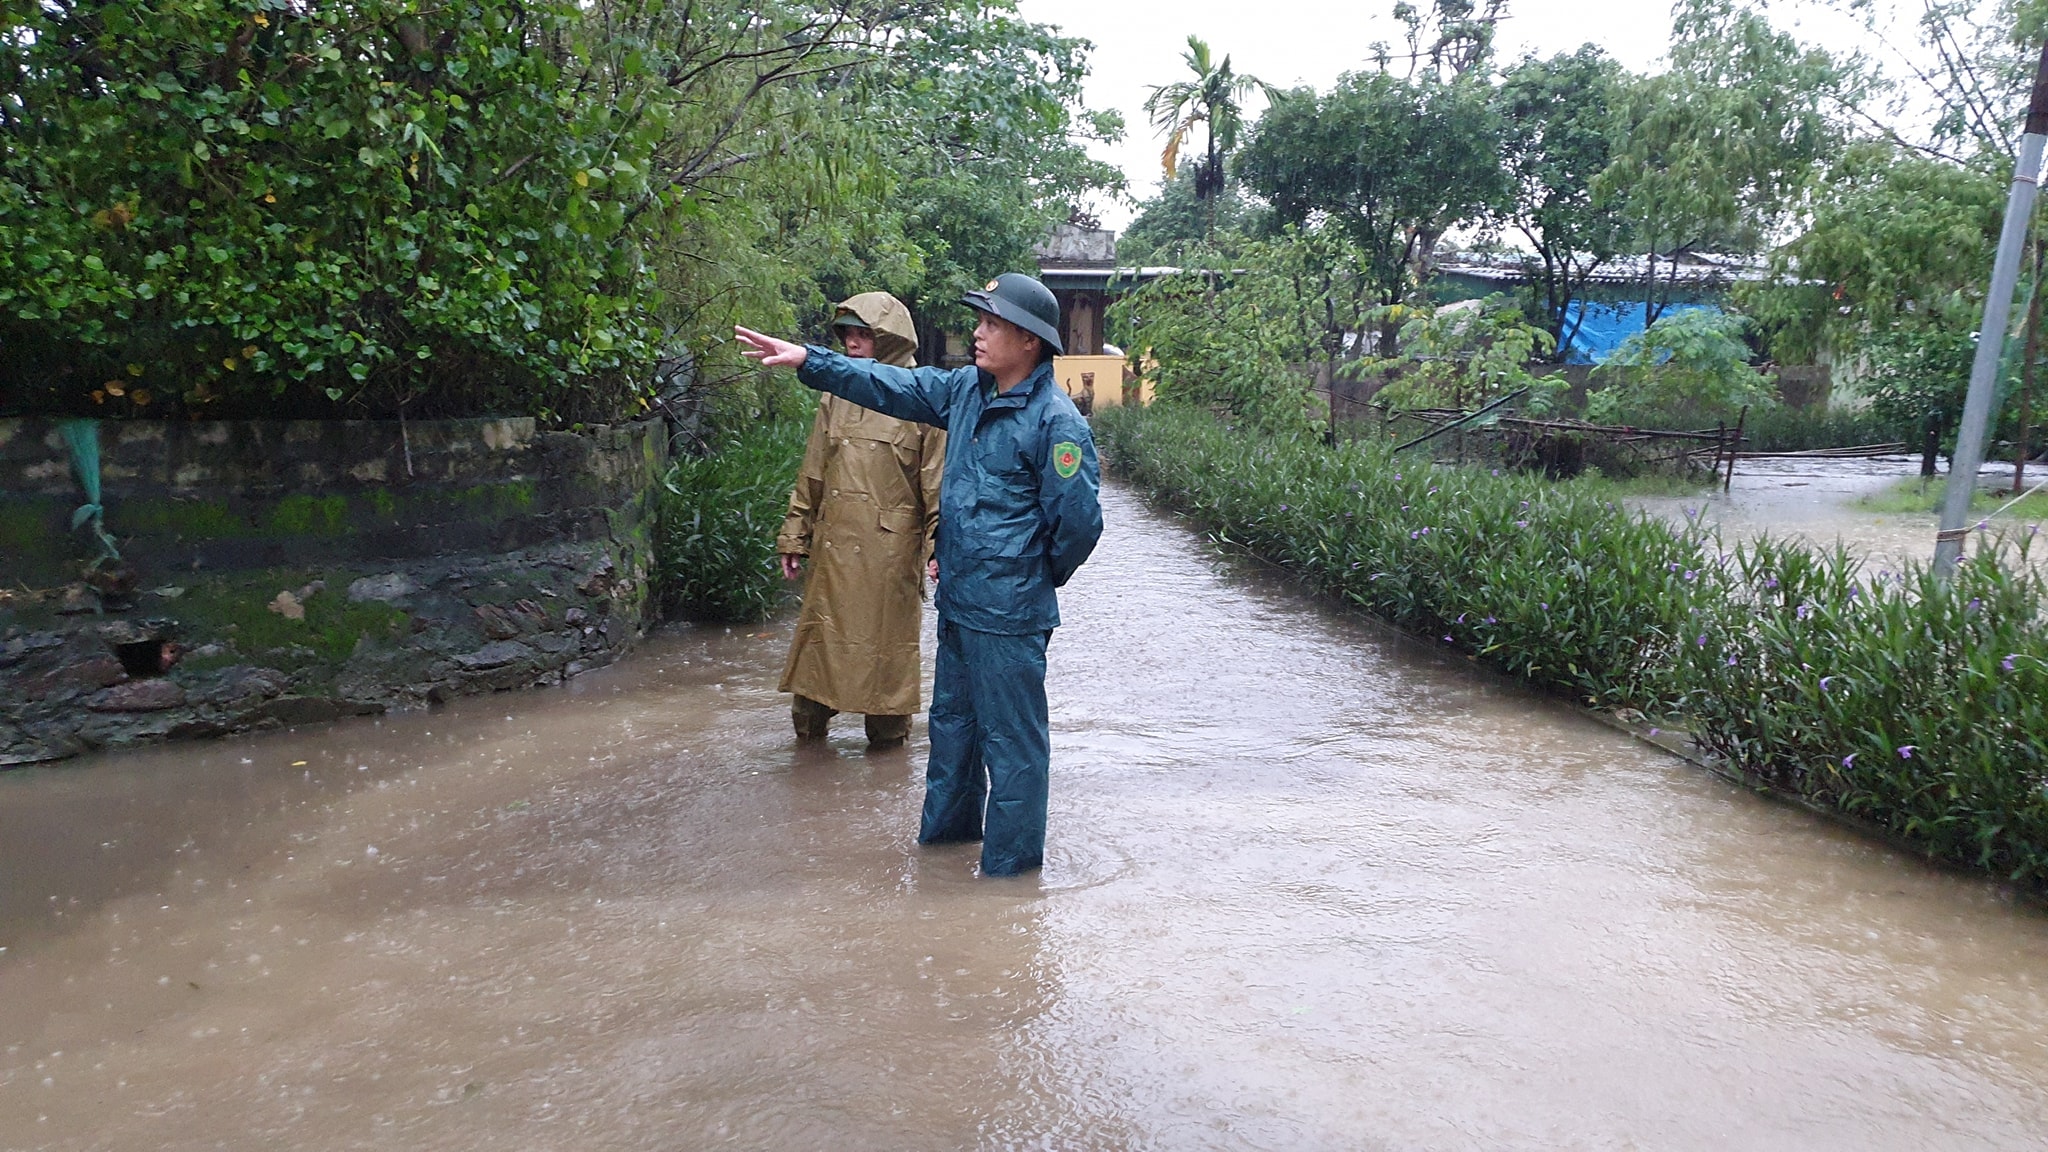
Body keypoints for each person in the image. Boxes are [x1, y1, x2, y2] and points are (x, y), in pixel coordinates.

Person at [736, 273, 1103, 876]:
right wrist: (812, 361)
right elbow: (886, 383)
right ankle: (944, 854)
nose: (977, 334)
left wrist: (1023, 576)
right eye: (979, 322)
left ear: (1029, 341)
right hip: (959, 603)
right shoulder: (965, 391)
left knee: (1012, 747)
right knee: (952, 734)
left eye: (991, 324)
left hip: (1009, 614)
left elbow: (1079, 528)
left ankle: (1009, 879)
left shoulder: (1055, 424)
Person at [775, 292, 944, 748]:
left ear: (886, 341)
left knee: (886, 677)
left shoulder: (924, 400)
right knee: (815, 667)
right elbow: (813, 470)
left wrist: (939, 551)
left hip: (889, 558)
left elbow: (937, 489)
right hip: (833, 553)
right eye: (846, 333)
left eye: (863, 334)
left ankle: (887, 770)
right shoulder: (836, 396)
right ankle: (807, 766)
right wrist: (795, 536)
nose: (851, 342)